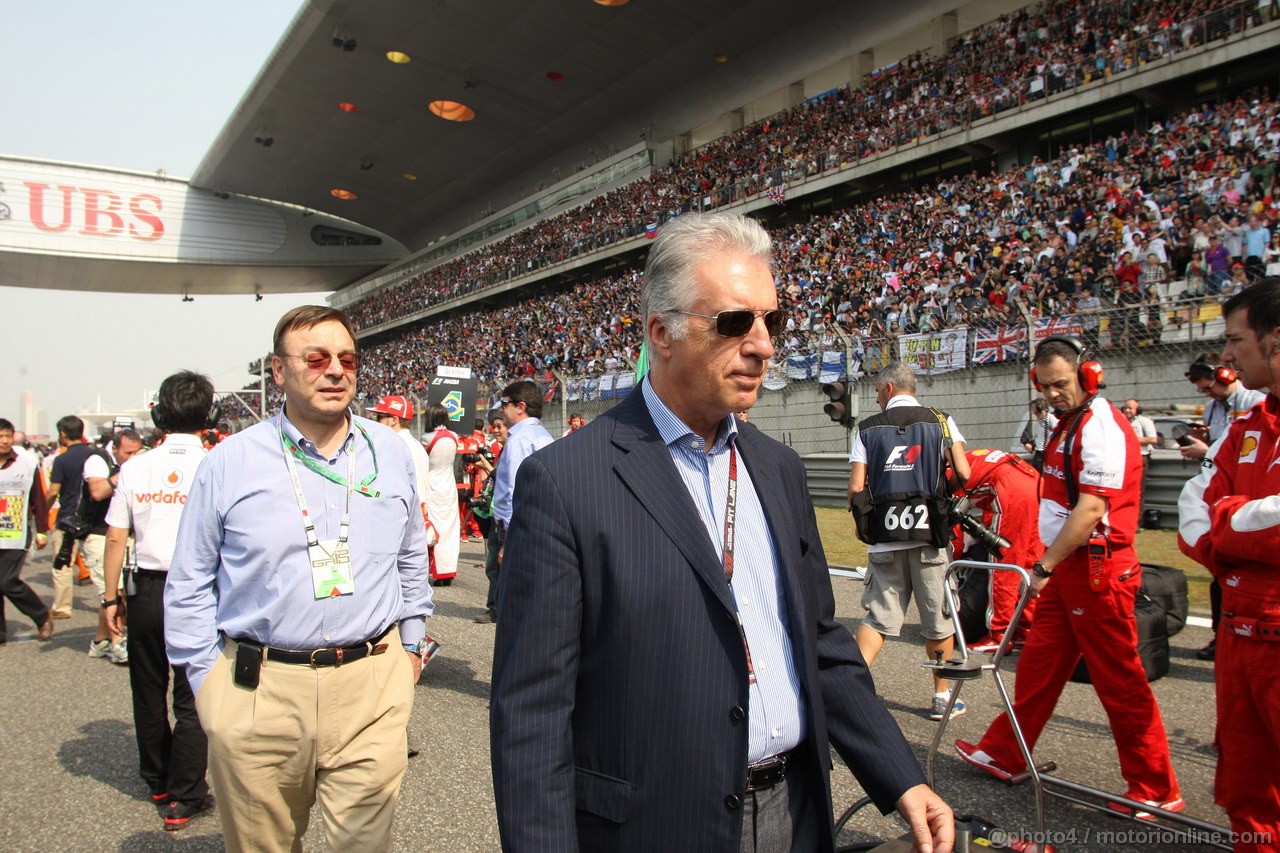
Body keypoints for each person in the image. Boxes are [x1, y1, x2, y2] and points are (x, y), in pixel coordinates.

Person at [490, 212, 953, 853]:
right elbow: (533, 713)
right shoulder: (566, 480)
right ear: (663, 333)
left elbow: (822, 647)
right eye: (735, 323)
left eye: (773, 321)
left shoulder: (778, 468)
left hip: (795, 812)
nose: (764, 345)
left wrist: (901, 778)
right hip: (654, 827)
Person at [165, 306, 433, 852]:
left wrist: (411, 648)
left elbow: (410, 556)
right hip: (259, 691)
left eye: (347, 358)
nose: (335, 370)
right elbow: (190, 580)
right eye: (315, 358)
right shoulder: (230, 462)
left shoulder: (392, 452)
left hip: (373, 687)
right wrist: (208, 690)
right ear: (279, 372)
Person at [956, 336, 1182, 820]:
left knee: (1119, 680)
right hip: (1071, 570)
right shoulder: (1070, 423)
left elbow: (1092, 508)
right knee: (1038, 664)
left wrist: (1043, 566)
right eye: (1045, 386)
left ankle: (1156, 786)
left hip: (1096, 570)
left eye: (1061, 384)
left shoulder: (1098, 427)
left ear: (1088, 375)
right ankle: (1006, 750)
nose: (1053, 394)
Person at [1178, 278, 1280, 850]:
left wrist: (1227, 517)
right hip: (1240, 624)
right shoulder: (1244, 426)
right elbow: (1193, 508)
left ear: (1274, 340)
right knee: (1244, 786)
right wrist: (1237, 525)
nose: (1226, 356)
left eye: (1236, 339)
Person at [102, 372, 215, 830]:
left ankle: (157, 779)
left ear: (157, 414)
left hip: (146, 587)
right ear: (211, 416)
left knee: (147, 689)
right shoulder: (216, 462)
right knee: (192, 696)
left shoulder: (134, 467)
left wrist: (109, 599)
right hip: (200, 589)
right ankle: (187, 793)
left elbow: (115, 538)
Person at [848, 361, 971, 720]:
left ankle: (852, 692)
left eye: (875, 392)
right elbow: (964, 472)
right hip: (930, 535)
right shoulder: (941, 419)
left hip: (885, 537)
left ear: (888, 388)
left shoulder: (867, 429)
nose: (875, 399)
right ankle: (942, 697)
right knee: (939, 617)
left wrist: (862, 524)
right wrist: (942, 496)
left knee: (877, 618)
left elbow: (857, 487)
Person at [1181, 354, 1266, 661]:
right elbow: (1216, 453)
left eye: (1209, 388)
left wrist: (1207, 451)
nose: (1209, 394)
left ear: (1226, 376)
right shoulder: (1212, 408)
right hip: (1218, 488)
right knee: (1220, 576)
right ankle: (1222, 635)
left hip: (1249, 498)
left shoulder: (1256, 401)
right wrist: (1205, 444)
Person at [474, 380, 552, 624]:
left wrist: (509, 539)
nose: (502, 410)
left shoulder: (518, 441)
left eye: (505, 404)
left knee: (512, 597)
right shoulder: (543, 435)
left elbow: (513, 492)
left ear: (520, 407)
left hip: (515, 527)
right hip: (538, 523)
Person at [957, 448, 1042, 654]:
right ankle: (1024, 627)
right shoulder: (966, 456)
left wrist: (957, 558)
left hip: (1008, 488)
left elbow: (953, 527)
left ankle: (999, 632)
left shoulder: (941, 473)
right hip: (1033, 479)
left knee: (1002, 564)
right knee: (1030, 560)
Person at [82, 429, 144, 663]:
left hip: (127, 534)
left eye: (136, 452)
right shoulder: (98, 460)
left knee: (121, 589)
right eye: (127, 453)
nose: (132, 457)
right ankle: (118, 644)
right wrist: (124, 472)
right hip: (99, 535)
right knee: (114, 592)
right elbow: (97, 492)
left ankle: (100, 641)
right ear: (115, 448)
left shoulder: (137, 464)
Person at [0, 417, 54, 643]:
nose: (4, 441)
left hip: (16, 534)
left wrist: (42, 531)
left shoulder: (27, 463)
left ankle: (41, 616)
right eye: (0, 436)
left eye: (7, 436)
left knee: (6, 581)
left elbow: (38, 500)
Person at [423, 404, 461, 582]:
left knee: (435, 529)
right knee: (451, 530)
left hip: (433, 485)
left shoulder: (427, 438)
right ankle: (449, 571)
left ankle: (438, 571)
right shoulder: (454, 436)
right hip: (449, 485)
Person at [1120, 398, 1159, 473]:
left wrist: (1131, 440)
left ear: (1138, 410)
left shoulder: (1144, 421)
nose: (1127, 410)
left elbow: (1153, 439)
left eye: (1130, 408)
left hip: (1140, 456)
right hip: (1125, 457)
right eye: (1125, 408)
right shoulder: (1121, 421)